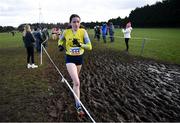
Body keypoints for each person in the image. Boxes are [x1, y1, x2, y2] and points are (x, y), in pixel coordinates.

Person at [58, 14, 92, 116]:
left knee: (74, 81)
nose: (76, 24)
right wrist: (60, 45)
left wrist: (80, 44)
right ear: (70, 23)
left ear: (80, 23)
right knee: (77, 82)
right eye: (74, 21)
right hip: (70, 58)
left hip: (79, 59)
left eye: (78, 21)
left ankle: (73, 87)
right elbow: (60, 39)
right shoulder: (66, 32)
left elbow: (90, 46)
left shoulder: (83, 32)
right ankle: (78, 105)